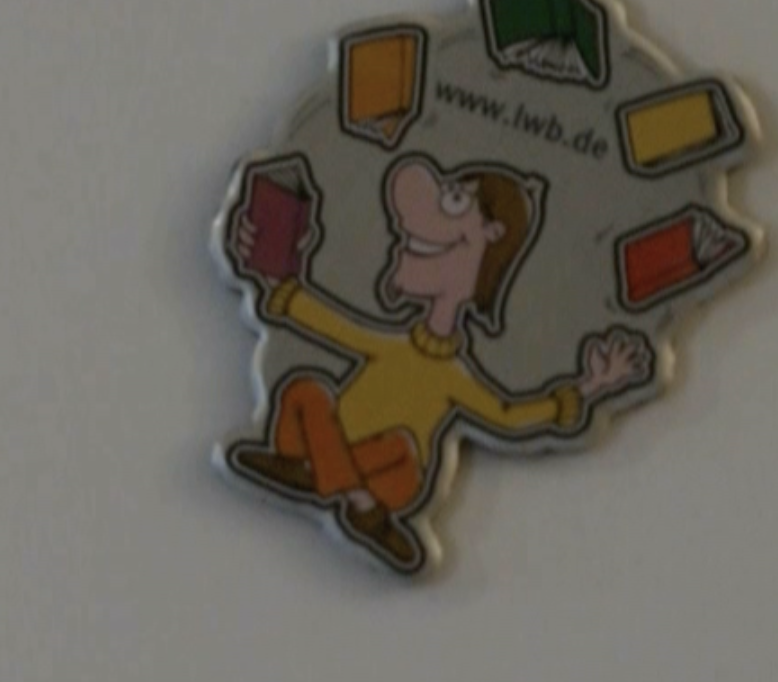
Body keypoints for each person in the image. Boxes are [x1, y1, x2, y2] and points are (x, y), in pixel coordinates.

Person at [225, 153, 651, 572]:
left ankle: (315, 473)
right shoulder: (393, 345)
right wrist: (275, 279)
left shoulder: (453, 377)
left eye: (455, 200)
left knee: (400, 450)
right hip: (347, 458)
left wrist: (588, 388)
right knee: (304, 391)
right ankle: (358, 502)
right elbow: (339, 329)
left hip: (387, 473)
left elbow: (506, 414)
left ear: (490, 234)